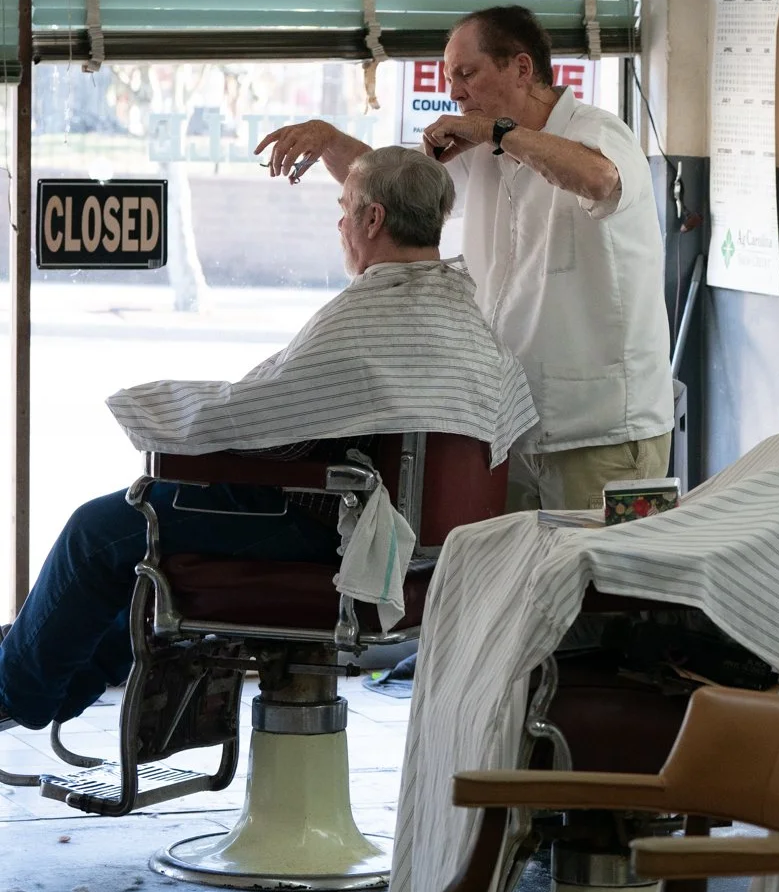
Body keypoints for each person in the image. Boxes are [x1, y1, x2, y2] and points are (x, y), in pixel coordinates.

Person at [0, 149, 537, 731]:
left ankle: (16, 695)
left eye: (344, 209)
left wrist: (161, 406)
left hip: (327, 532)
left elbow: (254, 413)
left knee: (101, 531)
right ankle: (45, 683)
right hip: (422, 555)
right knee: (135, 551)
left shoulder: (369, 317)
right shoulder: (465, 315)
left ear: (373, 220)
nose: (340, 225)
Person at [255, 5, 670, 511]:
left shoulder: (601, 133)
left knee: (600, 587)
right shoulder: (481, 153)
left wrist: (494, 133)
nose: (454, 93)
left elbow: (599, 180)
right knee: (505, 586)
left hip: (605, 433)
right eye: (450, 77)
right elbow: (394, 189)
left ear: (521, 68)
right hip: (512, 426)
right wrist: (330, 141)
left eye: (467, 74)